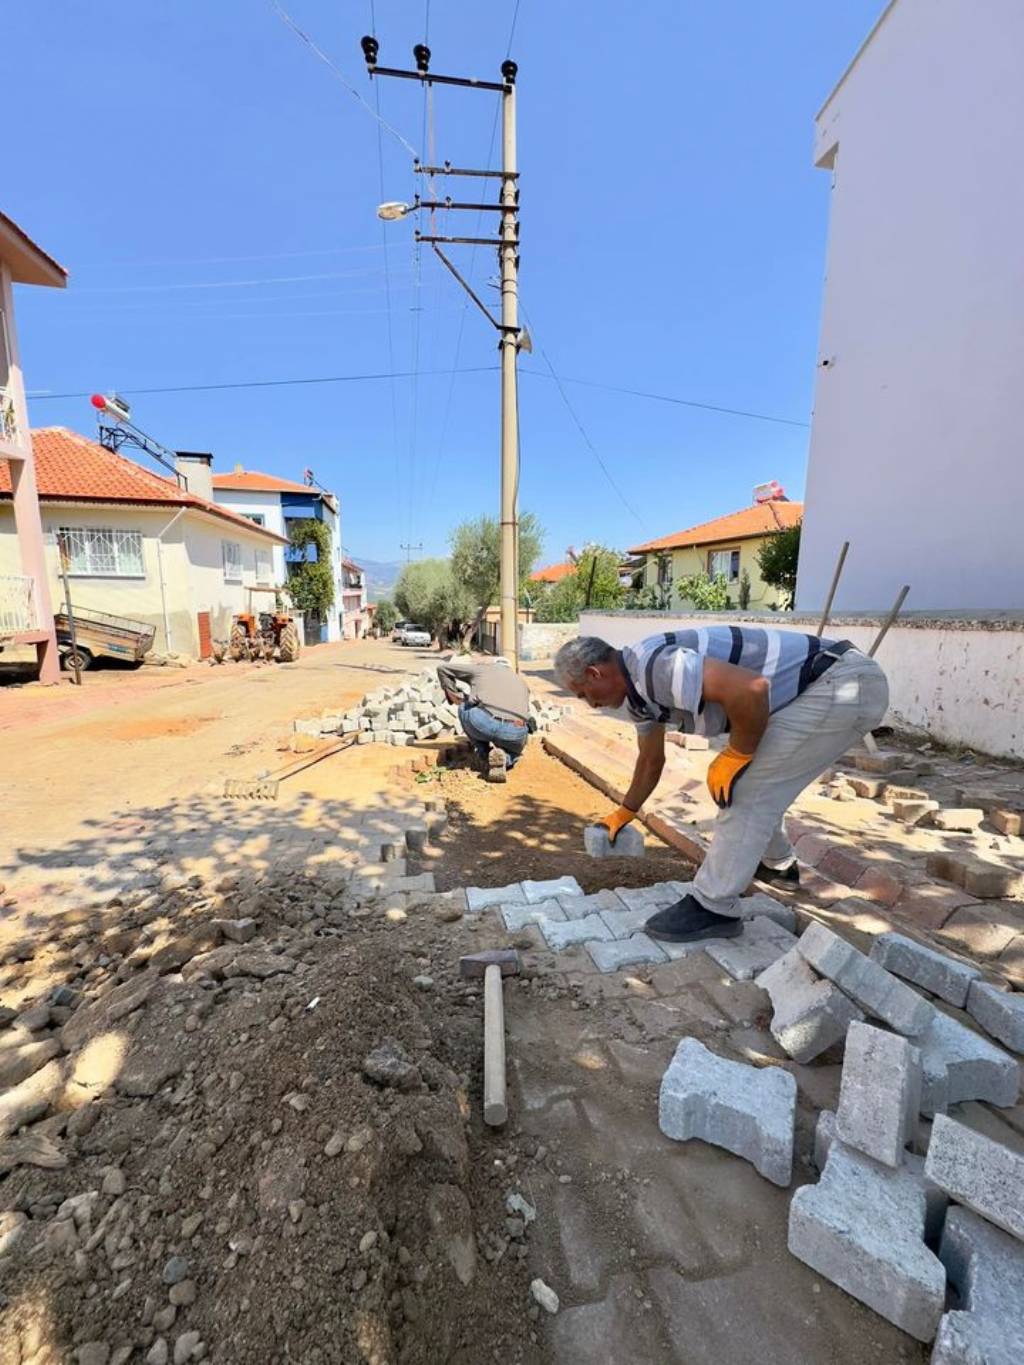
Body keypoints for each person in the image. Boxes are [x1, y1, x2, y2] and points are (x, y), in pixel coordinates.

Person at [553, 629, 888, 942]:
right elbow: (650, 760)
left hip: (842, 683)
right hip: (829, 684)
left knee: (746, 788)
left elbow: (751, 688)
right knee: (752, 782)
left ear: (596, 673)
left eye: (583, 694)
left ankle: (714, 906)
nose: (589, 704)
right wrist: (625, 811)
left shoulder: (655, 667)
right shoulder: (639, 697)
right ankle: (780, 866)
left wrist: (736, 753)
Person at [437, 653, 532, 780]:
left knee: (463, 706)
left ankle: (484, 753)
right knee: (515, 751)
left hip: (482, 722)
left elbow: (442, 668)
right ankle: (506, 759)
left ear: (494, 664)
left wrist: (453, 694)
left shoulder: (483, 669)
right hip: (514, 730)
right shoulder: (522, 683)